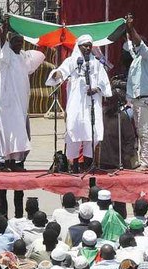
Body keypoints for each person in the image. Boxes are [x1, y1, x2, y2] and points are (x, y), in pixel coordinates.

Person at [46, 34, 111, 169]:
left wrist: (96, 89)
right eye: (84, 46)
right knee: (74, 130)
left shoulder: (97, 64)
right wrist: (55, 74)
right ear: (79, 46)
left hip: (92, 103)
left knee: (91, 132)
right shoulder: (71, 62)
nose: (87, 48)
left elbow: (104, 83)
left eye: (89, 46)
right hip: (76, 104)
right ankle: (74, 165)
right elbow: (61, 73)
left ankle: (87, 165)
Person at [0, 17, 45, 167]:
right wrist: (3, 30)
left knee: (20, 131)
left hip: (21, 101)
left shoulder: (23, 55)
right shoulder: (7, 54)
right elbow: (2, 44)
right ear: (10, 43)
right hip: (8, 102)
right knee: (8, 130)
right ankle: (6, 160)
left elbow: (39, 57)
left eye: (20, 42)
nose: (18, 44)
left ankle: (17, 160)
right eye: (15, 42)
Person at [124, 14, 148, 170]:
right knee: (138, 131)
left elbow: (137, 43)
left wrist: (132, 29)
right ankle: (139, 160)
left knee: (143, 132)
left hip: (146, 100)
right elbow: (131, 46)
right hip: (138, 100)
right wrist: (127, 31)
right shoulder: (137, 58)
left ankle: (146, 162)